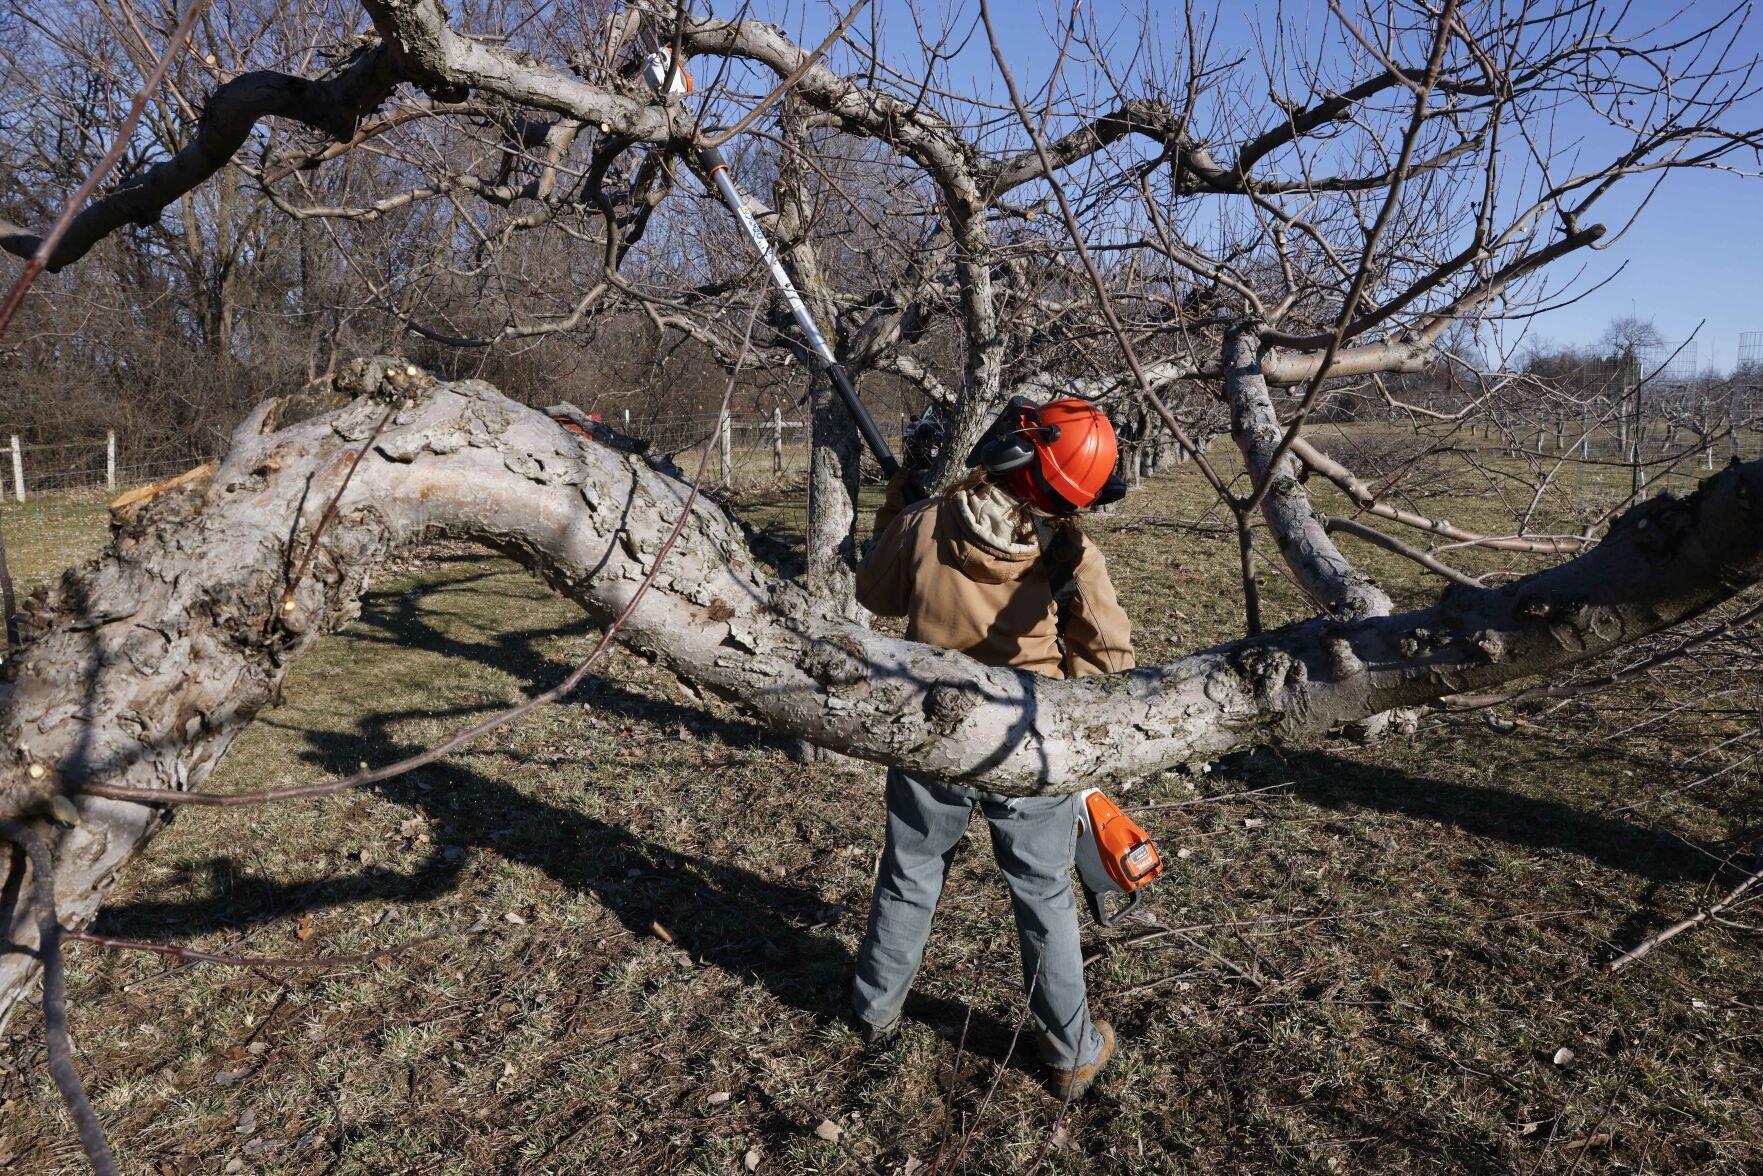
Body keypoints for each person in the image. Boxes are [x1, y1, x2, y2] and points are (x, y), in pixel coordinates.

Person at [851, 396, 1133, 1101]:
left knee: (910, 873)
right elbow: (1108, 664)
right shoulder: (1070, 552)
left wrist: (899, 508)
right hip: (1026, 747)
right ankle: (1070, 1053)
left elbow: (875, 594)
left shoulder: (923, 522)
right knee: (1042, 894)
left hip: (929, 737)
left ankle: (874, 1008)